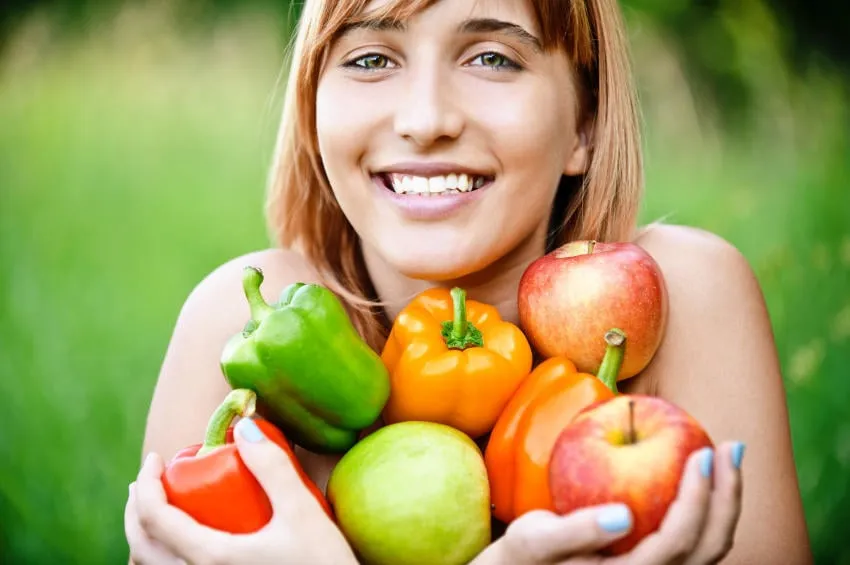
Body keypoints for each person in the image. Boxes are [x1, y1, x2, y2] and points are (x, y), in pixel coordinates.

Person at [124, 0, 813, 563]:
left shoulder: (684, 300)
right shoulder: (241, 325)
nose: (426, 121)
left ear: (586, 120)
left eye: (492, 58)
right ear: (312, 111)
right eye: (369, 59)